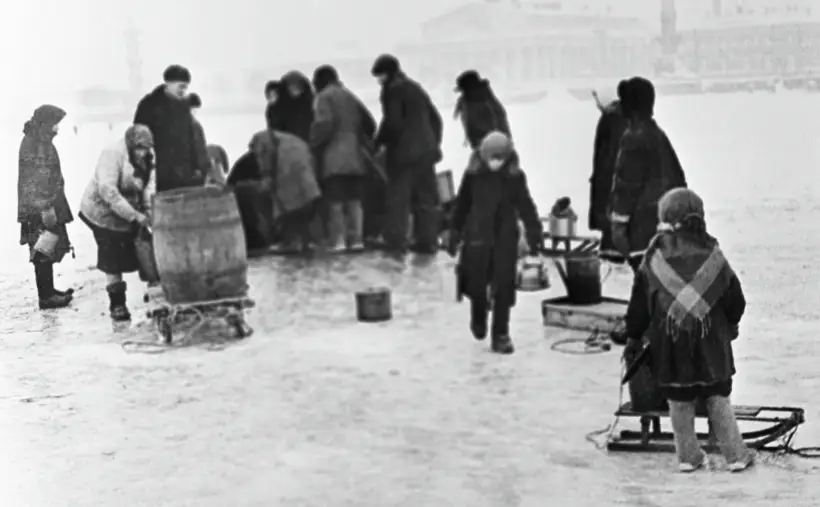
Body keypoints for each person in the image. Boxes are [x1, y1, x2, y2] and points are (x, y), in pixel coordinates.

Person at [623, 188, 754, 473]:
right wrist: (730, 326)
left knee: (679, 401)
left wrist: (633, 337)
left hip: (670, 349)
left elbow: (639, 306)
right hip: (712, 349)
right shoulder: (714, 257)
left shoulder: (654, 258)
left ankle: (688, 457)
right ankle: (735, 456)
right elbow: (736, 301)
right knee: (718, 399)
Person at [447, 131, 543, 354]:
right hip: (477, 238)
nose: (495, 162)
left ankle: (501, 334)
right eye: (492, 157)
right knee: (476, 284)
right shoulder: (473, 176)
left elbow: (526, 206)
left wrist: (534, 232)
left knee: (504, 287)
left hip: (504, 238)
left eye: (500, 157)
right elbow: (462, 204)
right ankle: (478, 315)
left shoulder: (515, 177)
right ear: (483, 156)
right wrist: (453, 230)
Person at [609, 76, 687, 271]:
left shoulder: (633, 139)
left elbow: (626, 185)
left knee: (650, 289)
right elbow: (679, 183)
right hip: (670, 231)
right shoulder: (657, 135)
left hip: (643, 233)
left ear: (631, 107)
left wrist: (618, 226)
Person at [79, 125, 155, 321]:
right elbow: (108, 191)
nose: (143, 152)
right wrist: (135, 216)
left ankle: (156, 295)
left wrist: (147, 212)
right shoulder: (112, 154)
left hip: (128, 206)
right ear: (130, 145)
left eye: (146, 148)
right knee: (111, 253)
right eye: (139, 148)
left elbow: (148, 187)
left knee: (145, 247)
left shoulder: (148, 158)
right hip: (102, 210)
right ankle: (117, 304)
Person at [371, 54, 443, 254]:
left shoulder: (392, 91)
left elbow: (392, 122)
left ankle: (395, 239)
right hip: (426, 153)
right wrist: (433, 144)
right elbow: (435, 119)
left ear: (388, 73)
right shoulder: (415, 88)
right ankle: (427, 240)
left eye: (380, 76)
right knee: (426, 198)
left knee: (399, 197)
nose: (379, 81)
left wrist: (379, 142)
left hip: (404, 154)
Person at [310, 64, 377, 252]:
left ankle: (338, 241)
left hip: (334, 157)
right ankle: (357, 240)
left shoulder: (324, 97)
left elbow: (325, 124)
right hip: (356, 157)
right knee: (354, 200)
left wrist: (313, 143)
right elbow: (370, 124)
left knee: (336, 201)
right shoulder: (349, 95)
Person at [17, 105, 75, 309]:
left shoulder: (38, 140)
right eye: (54, 124)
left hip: (43, 204)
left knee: (46, 246)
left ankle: (49, 291)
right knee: (42, 248)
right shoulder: (34, 144)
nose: (57, 128)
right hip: (39, 208)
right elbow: (33, 180)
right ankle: (46, 297)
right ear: (44, 123)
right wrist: (45, 207)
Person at [133, 64, 211, 191]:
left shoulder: (184, 107)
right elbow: (138, 138)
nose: (183, 90)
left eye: (186, 87)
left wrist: (198, 167)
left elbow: (193, 139)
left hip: (184, 173)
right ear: (168, 83)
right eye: (181, 86)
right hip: (159, 172)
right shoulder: (148, 105)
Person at [249, 129, 322, 253]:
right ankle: (305, 242)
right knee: (303, 209)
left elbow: (266, 161)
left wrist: (267, 177)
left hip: (292, 178)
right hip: (306, 180)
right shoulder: (290, 142)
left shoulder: (266, 144)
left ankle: (292, 242)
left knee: (289, 210)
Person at [589, 80, 628, 260]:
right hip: (615, 176)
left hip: (610, 178)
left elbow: (608, 154)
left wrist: (602, 179)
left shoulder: (610, 118)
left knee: (610, 216)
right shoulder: (622, 115)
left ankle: (613, 252)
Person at [453, 70, 511, 149]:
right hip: (484, 145)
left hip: (493, 146)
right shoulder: (468, 101)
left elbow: (498, 123)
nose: (462, 93)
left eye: (463, 90)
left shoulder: (483, 101)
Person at [268, 71, 314, 143]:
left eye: (297, 86)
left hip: (309, 146)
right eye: (291, 86)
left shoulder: (312, 102)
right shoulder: (279, 106)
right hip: (287, 146)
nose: (294, 89)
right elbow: (275, 128)